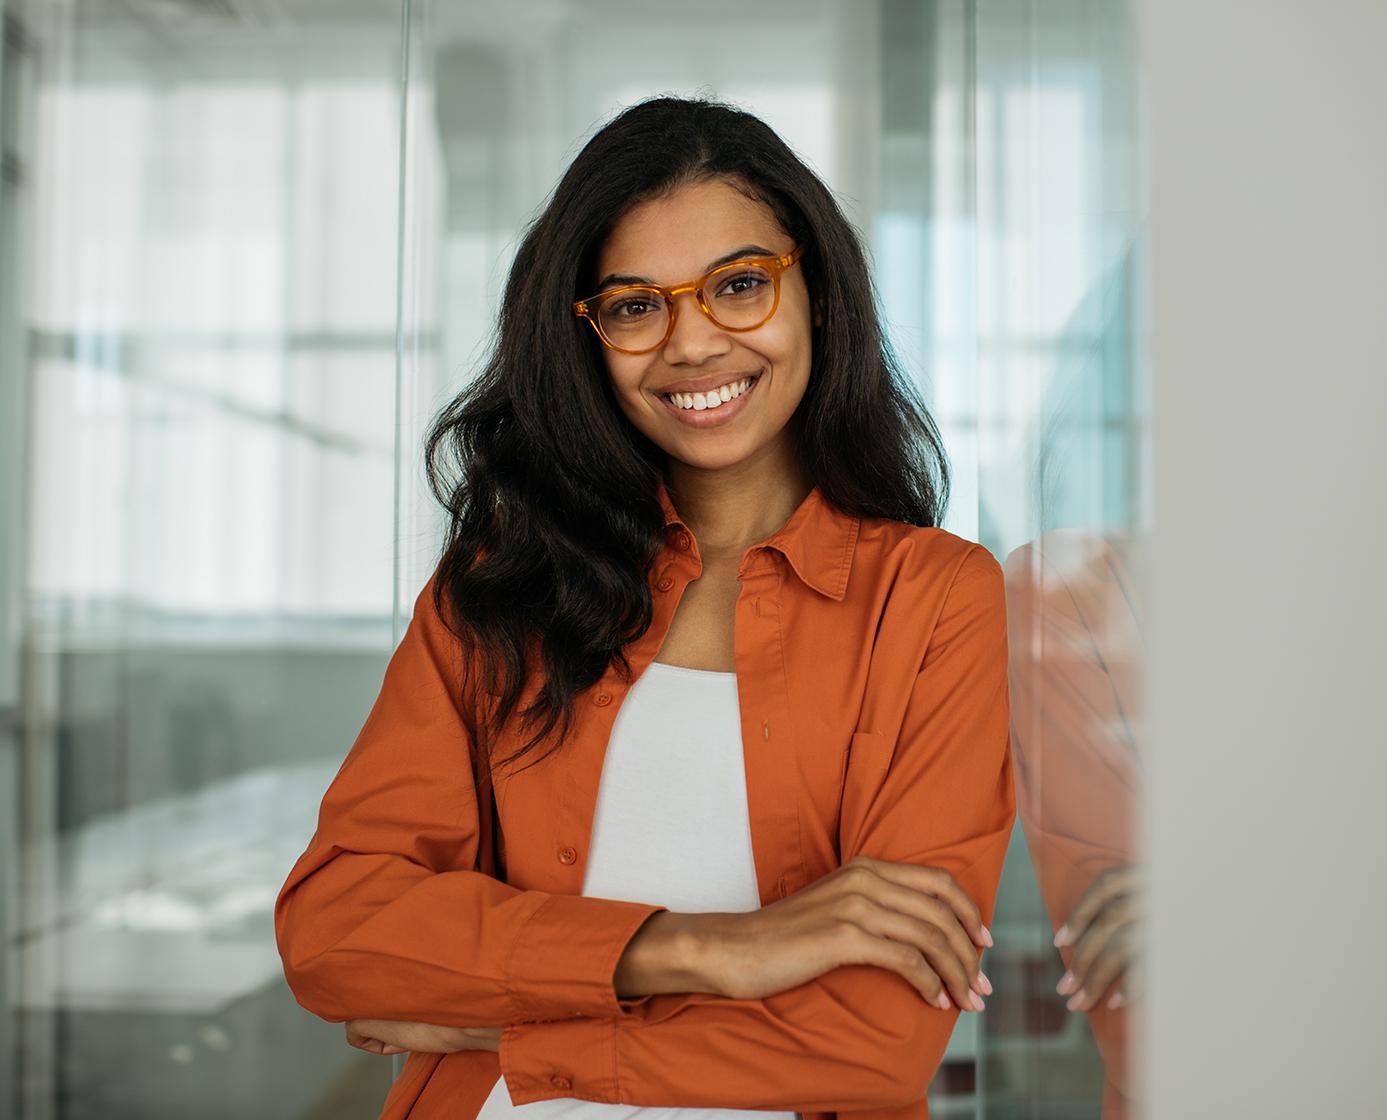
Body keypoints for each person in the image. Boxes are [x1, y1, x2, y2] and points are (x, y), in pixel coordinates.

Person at [272, 95, 1016, 1120]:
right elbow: (335, 928)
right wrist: (718, 948)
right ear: (587, 338)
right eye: (633, 305)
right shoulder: (497, 587)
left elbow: (874, 1040)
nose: (692, 344)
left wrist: (505, 1026)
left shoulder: (936, 601)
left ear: (820, 296)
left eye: (741, 286)